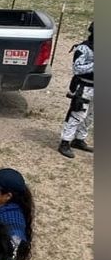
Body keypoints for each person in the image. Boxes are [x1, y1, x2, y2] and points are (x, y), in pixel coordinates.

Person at [58, 21, 94, 158]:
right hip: (84, 87)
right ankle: (65, 142)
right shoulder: (84, 49)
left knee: (90, 116)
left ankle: (79, 139)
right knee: (77, 114)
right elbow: (77, 69)